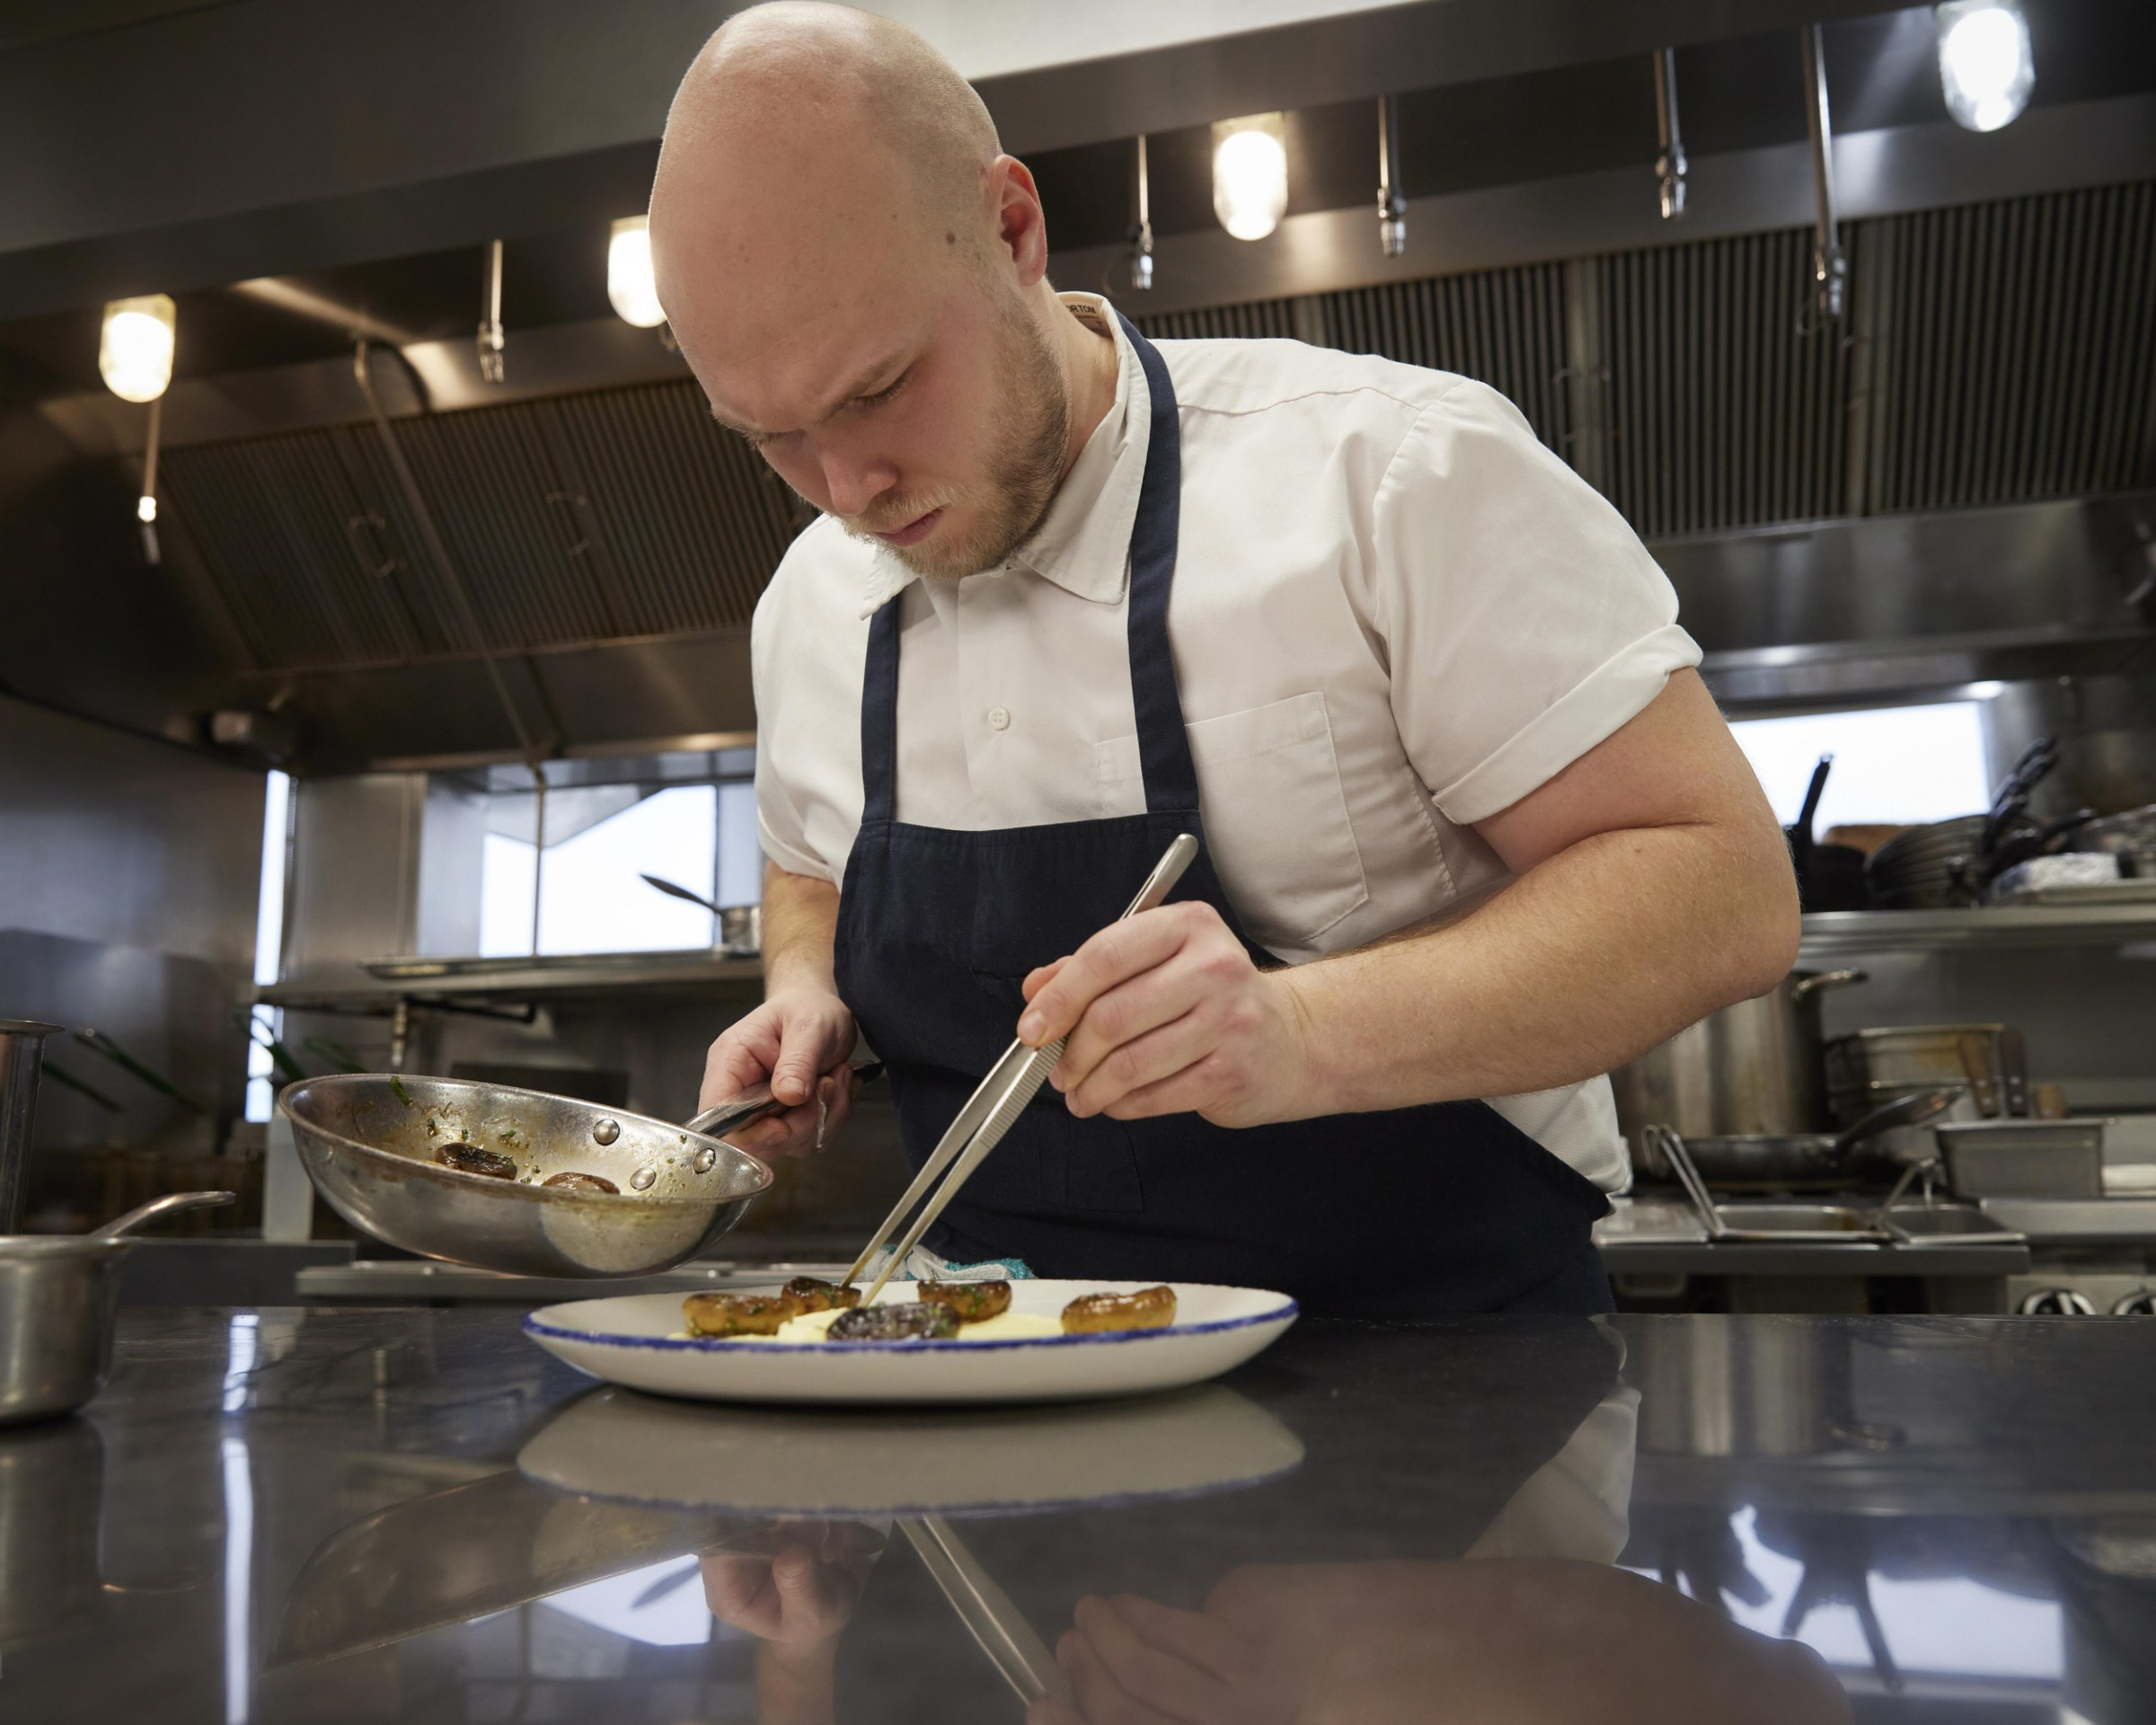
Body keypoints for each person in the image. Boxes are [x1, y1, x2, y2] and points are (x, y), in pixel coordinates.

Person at [649, 3, 1798, 1317]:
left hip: (1440, 1413)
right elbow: (809, 858)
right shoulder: (812, 596)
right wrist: (805, 987)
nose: (847, 487)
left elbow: (1722, 891)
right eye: (769, 436)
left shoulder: (1388, 476)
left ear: (1013, 229)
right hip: (984, 1414)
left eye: (878, 387)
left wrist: (1302, 1033)